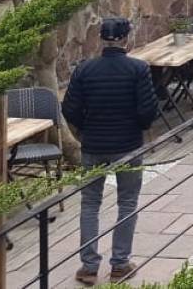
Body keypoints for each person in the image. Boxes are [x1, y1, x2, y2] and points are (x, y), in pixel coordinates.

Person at [61, 17, 157, 286]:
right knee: (127, 202)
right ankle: (120, 264)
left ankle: (89, 266)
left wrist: (85, 127)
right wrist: (138, 126)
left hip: (93, 144)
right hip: (128, 144)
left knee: (90, 203)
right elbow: (148, 110)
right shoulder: (138, 69)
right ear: (126, 39)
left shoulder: (84, 70)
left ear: (101, 39)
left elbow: (69, 109)